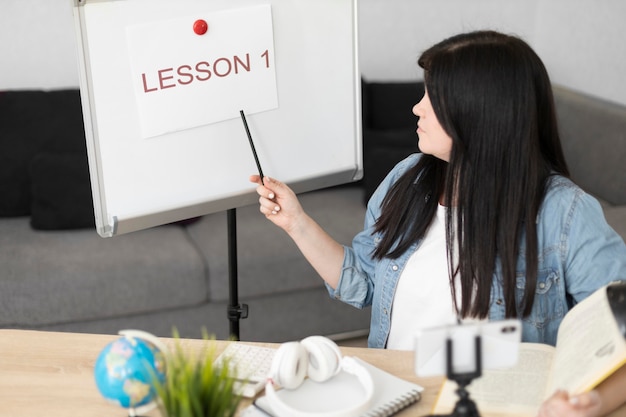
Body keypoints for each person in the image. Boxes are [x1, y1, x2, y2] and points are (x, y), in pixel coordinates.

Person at [250, 30, 626, 416]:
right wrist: (296, 222)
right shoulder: (407, 179)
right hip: (395, 398)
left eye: (433, 97)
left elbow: (619, 336)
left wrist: (593, 404)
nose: (417, 109)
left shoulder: (564, 213)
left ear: (480, 110)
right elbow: (362, 283)